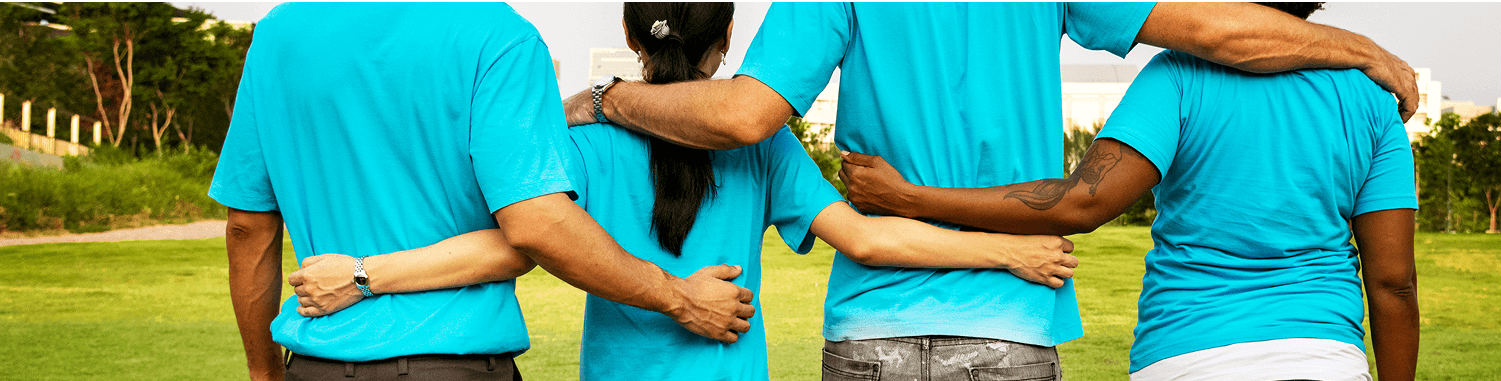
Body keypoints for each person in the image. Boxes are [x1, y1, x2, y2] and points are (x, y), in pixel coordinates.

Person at [561, 2, 1419, 379]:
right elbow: (1212, 28)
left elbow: (745, 113)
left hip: (872, 332)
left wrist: (606, 99)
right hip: (1011, 325)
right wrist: (1358, 49)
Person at [284, 3, 1079, 381]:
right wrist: (1005, 248)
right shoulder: (765, 146)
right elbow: (871, 239)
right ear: (727, 40)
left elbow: (518, 239)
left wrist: (367, 273)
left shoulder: (585, 140)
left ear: (632, 35)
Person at [838, 3, 1420, 380]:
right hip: (1324, 357)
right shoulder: (1372, 101)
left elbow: (1083, 201)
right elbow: (1393, 282)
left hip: (1185, 356)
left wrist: (911, 198)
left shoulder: (1180, 76)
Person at [214, 3, 755, 380]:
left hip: (316, 362)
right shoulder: (499, 35)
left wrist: (263, 371)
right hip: (454, 364)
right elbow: (537, 227)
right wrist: (678, 297)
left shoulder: (278, 32)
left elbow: (248, 227)